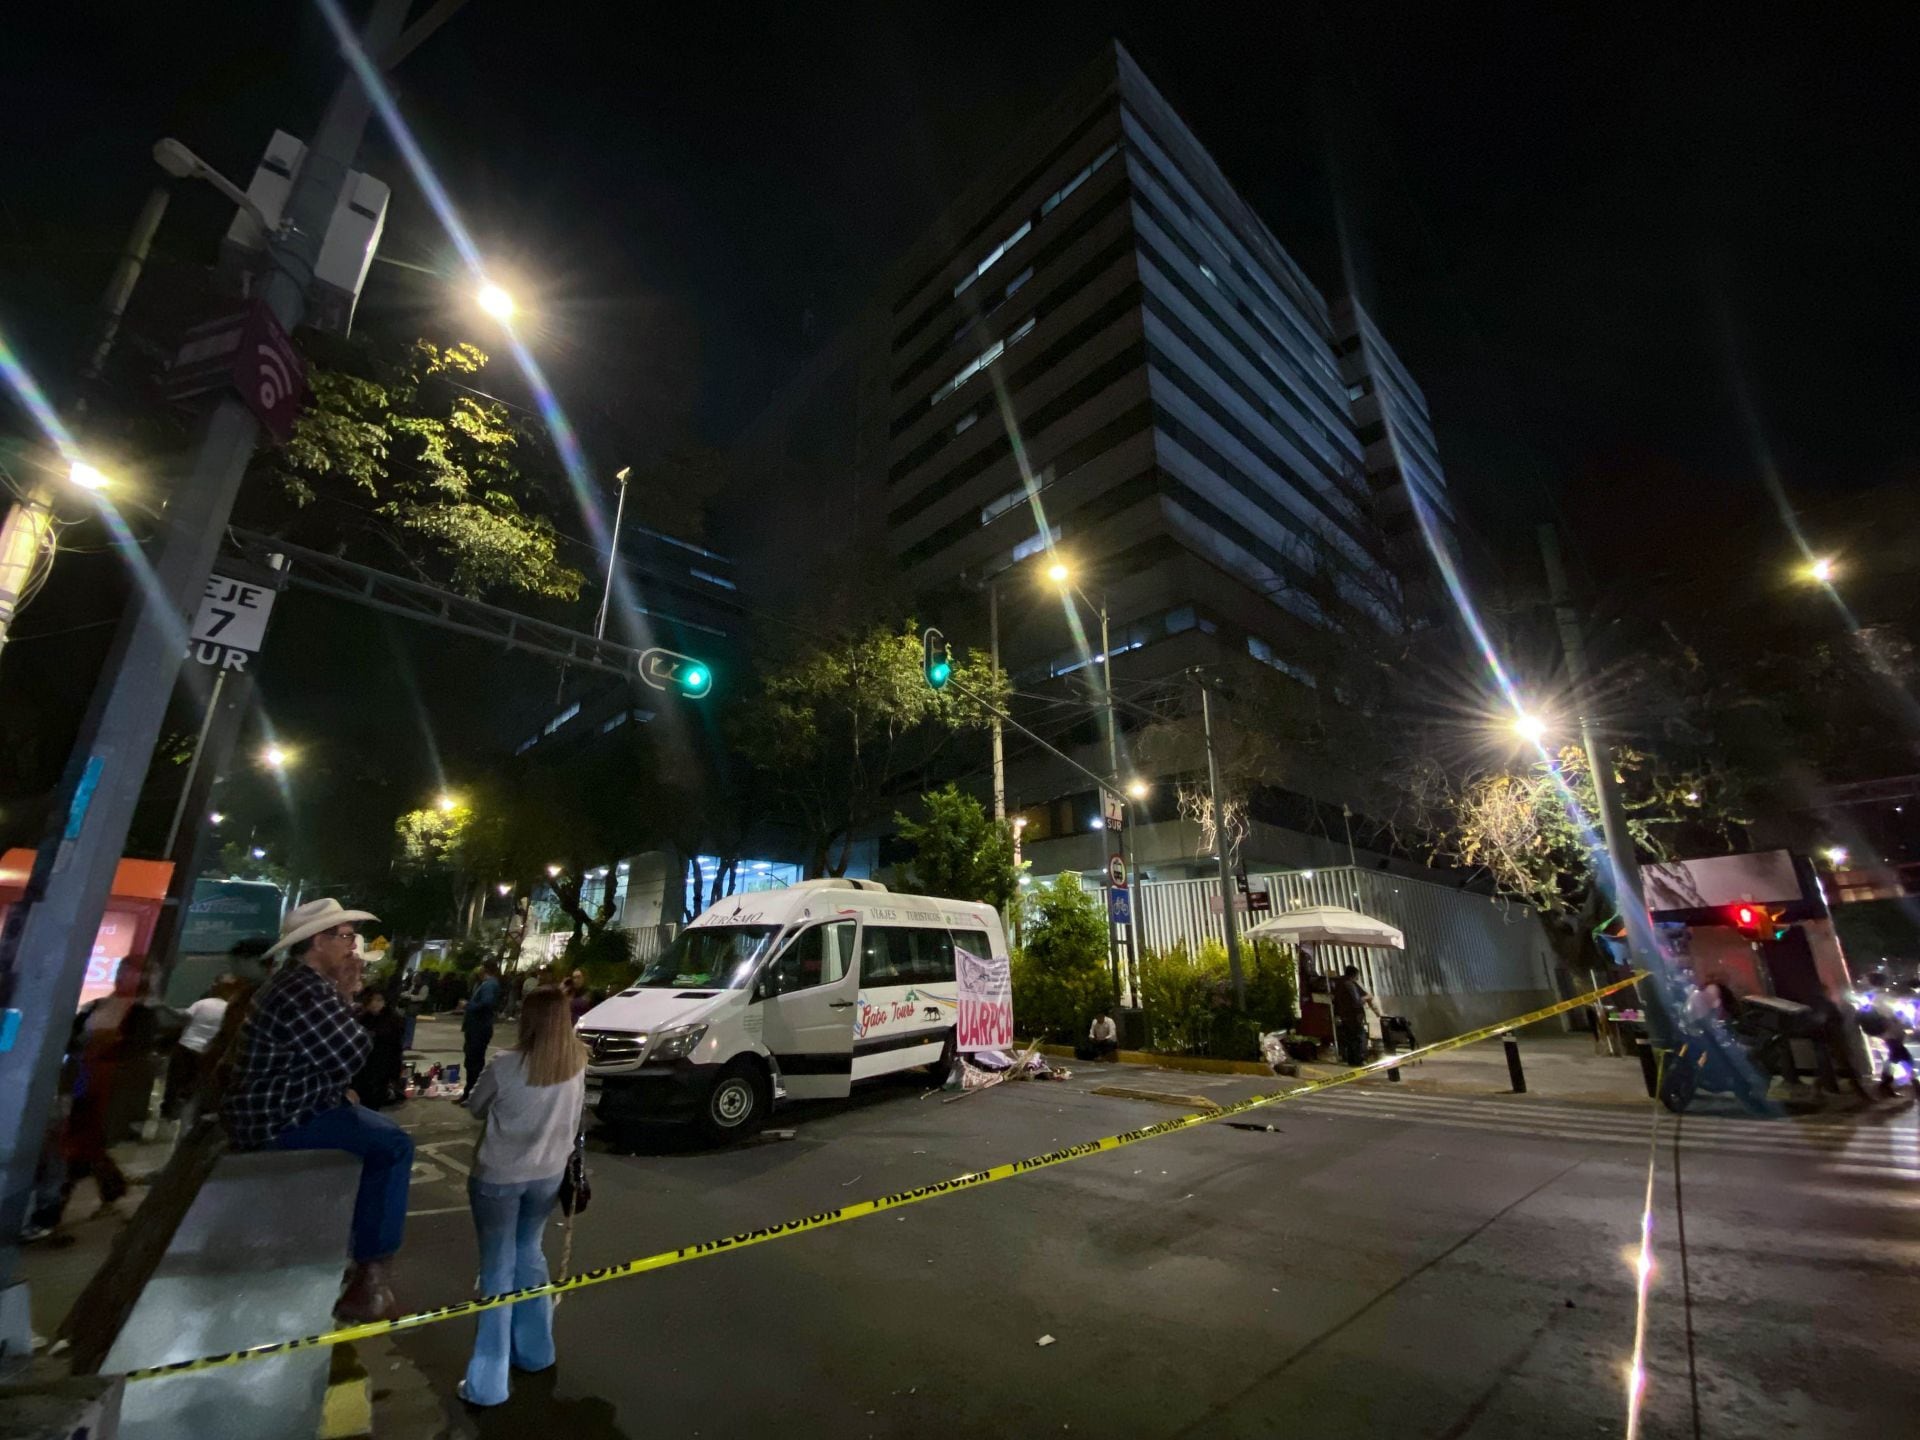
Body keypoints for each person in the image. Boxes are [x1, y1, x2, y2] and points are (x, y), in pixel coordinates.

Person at [222, 898, 414, 1323]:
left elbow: (331, 1059)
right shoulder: (302, 988)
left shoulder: (299, 985)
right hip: (281, 1116)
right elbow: (351, 1051)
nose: (352, 948)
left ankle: (360, 1265)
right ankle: (371, 1277)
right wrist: (350, 999)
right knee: (394, 1146)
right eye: (345, 938)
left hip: (288, 1104)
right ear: (316, 942)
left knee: (374, 1129)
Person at [460, 986, 587, 1407]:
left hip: (499, 1176)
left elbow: (477, 1107)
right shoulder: (576, 1061)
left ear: (528, 1019)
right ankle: (535, 1352)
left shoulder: (504, 1064)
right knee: (530, 1254)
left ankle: (488, 1384)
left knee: (497, 1270)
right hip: (548, 1175)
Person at [163, 975, 234, 1120]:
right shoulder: (229, 1009)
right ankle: (187, 1112)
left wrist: (164, 1008)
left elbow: (183, 1017)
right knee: (195, 1083)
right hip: (206, 1052)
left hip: (186, 1046)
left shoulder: (203, 1003)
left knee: (174, 1081)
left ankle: (168, 1111)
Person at [1858, 973, 1917, 1100]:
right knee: (1904, 1057)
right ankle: (1892, 1084)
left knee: (1895, 1057)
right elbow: (1895, 1015)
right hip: (1891, 1032)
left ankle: (1887, 1085)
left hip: (1886, 1032)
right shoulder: (1883, 996)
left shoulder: (1870, 997)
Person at [353, 989, 409, 1109]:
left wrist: (395, 1075)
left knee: (373, 1103)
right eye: (372, 1000)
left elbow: (396, 1049)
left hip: (381, 1069)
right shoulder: (360, 1019)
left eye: (379, 1000)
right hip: (362, 1070)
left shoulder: (393, 1021)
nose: (375, 1004)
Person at [462, 962, 504, 1102]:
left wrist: (469, 1005)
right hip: (477, 1027)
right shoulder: (486, 983)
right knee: (473, 1060)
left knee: (474, 1061)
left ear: (485, 969)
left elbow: (487, 1002)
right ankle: (469, 1092)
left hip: (478, 1028)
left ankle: (471, 1094)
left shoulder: (489, 985)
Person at [1331, 965, 1382, 1068]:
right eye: (1357, 975)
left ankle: (1351, 1060)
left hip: (1344, 1015)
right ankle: (1359, 1059)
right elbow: (1357, 1001)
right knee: (1359, 1037)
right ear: (1354, 975)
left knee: (1350, 1038)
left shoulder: (1339, 983)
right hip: (1354, 1015)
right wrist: (1367, 997)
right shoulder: (1349, 984)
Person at [402, 969, 432, 1052]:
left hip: (414, 1009)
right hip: (407, 1008)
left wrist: (410, 997)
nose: (414, 978)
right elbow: (409, 992)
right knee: (405, 1026)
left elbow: (422, 997)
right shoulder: (414, 985)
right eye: (414, 977)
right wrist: (404, 994)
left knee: (410, 1027)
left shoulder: (424, 987)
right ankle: (405, 1042)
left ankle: (407, 1044)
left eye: (416, 977)